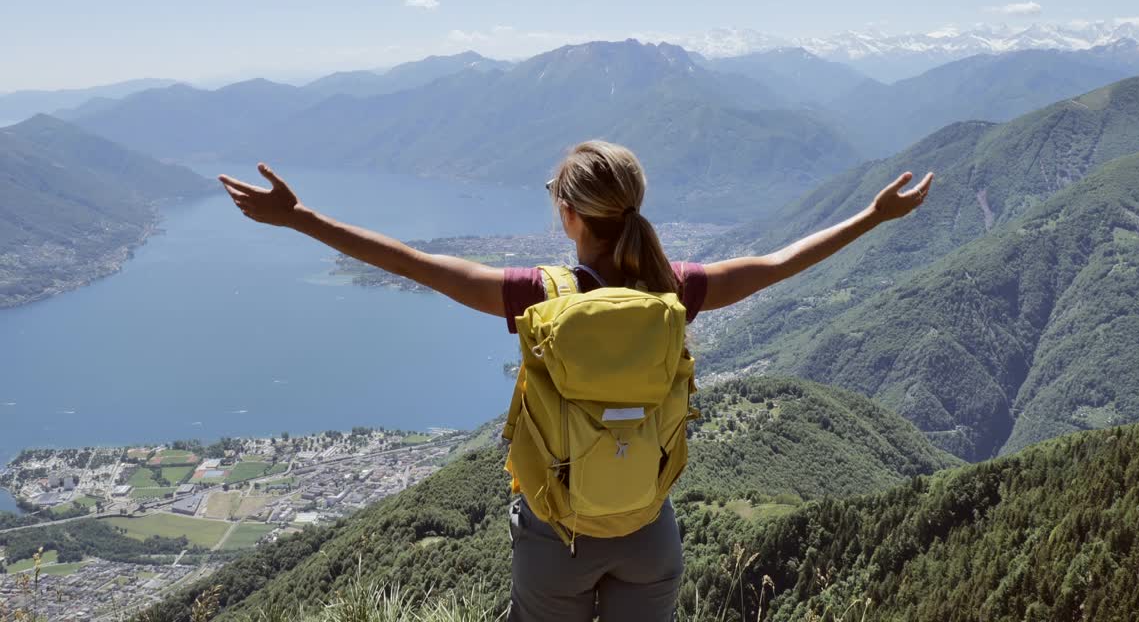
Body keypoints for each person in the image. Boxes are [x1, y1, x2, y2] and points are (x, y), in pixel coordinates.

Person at [218, 140, 933, 621]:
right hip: (649, 532)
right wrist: (874, 215)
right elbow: (781, 263)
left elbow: (411, 262)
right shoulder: (674, 288)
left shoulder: (540, 295)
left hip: (554, 538)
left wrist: (300, 218)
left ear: (567, 214)